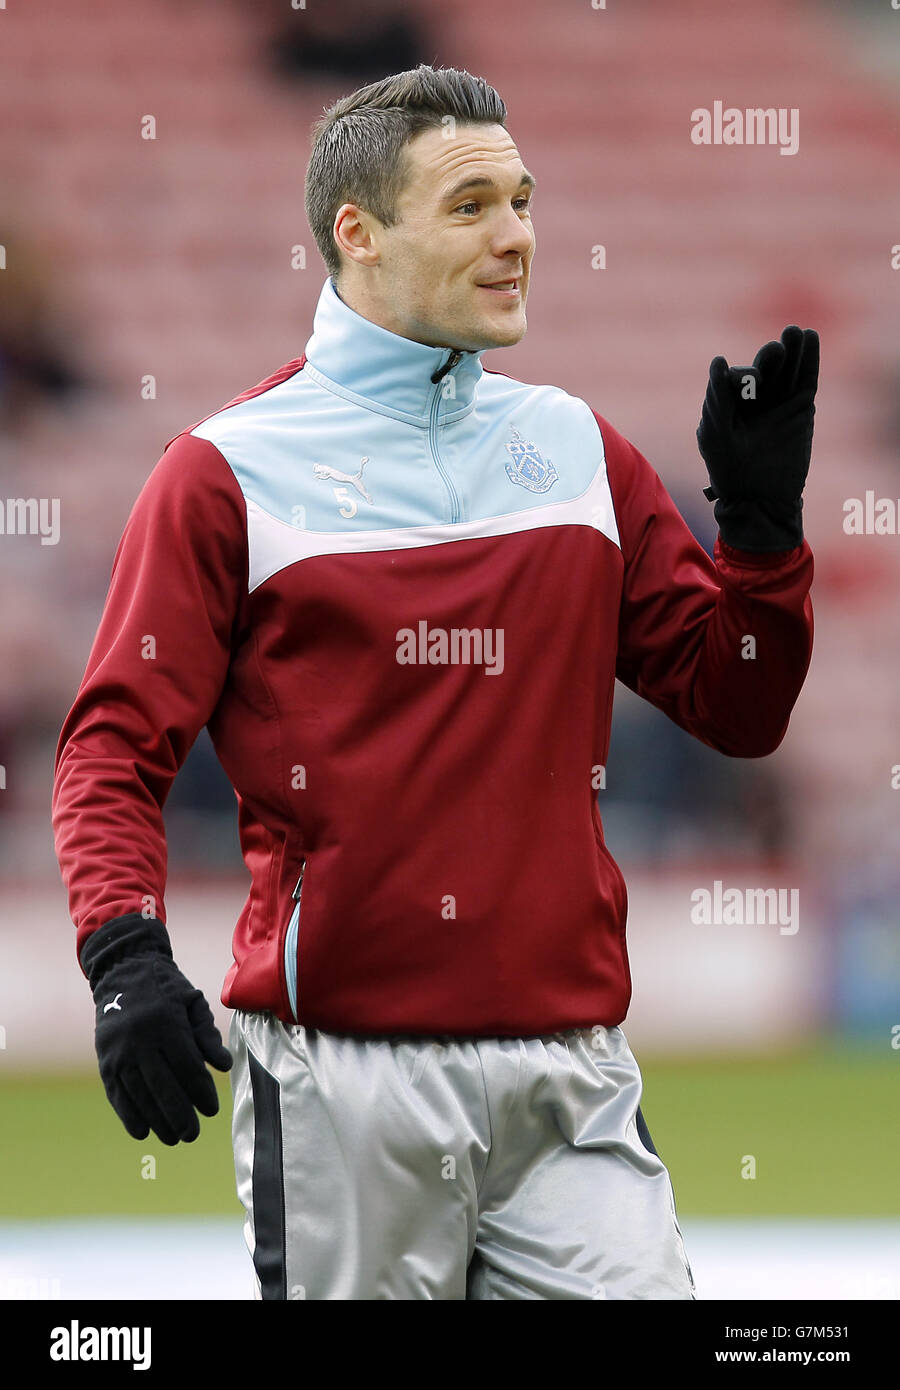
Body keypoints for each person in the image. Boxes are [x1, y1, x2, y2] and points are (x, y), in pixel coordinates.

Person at [51, 64, 818, 1301]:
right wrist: (124, 952)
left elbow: (739, 704)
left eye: (523, 201)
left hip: (572, 1072)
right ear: (356, 234)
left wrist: (763, 531)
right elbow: (109, 748)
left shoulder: (575, 448)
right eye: (471, 207)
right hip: (343, 1086)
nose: (518, 235)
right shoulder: (222, 475)